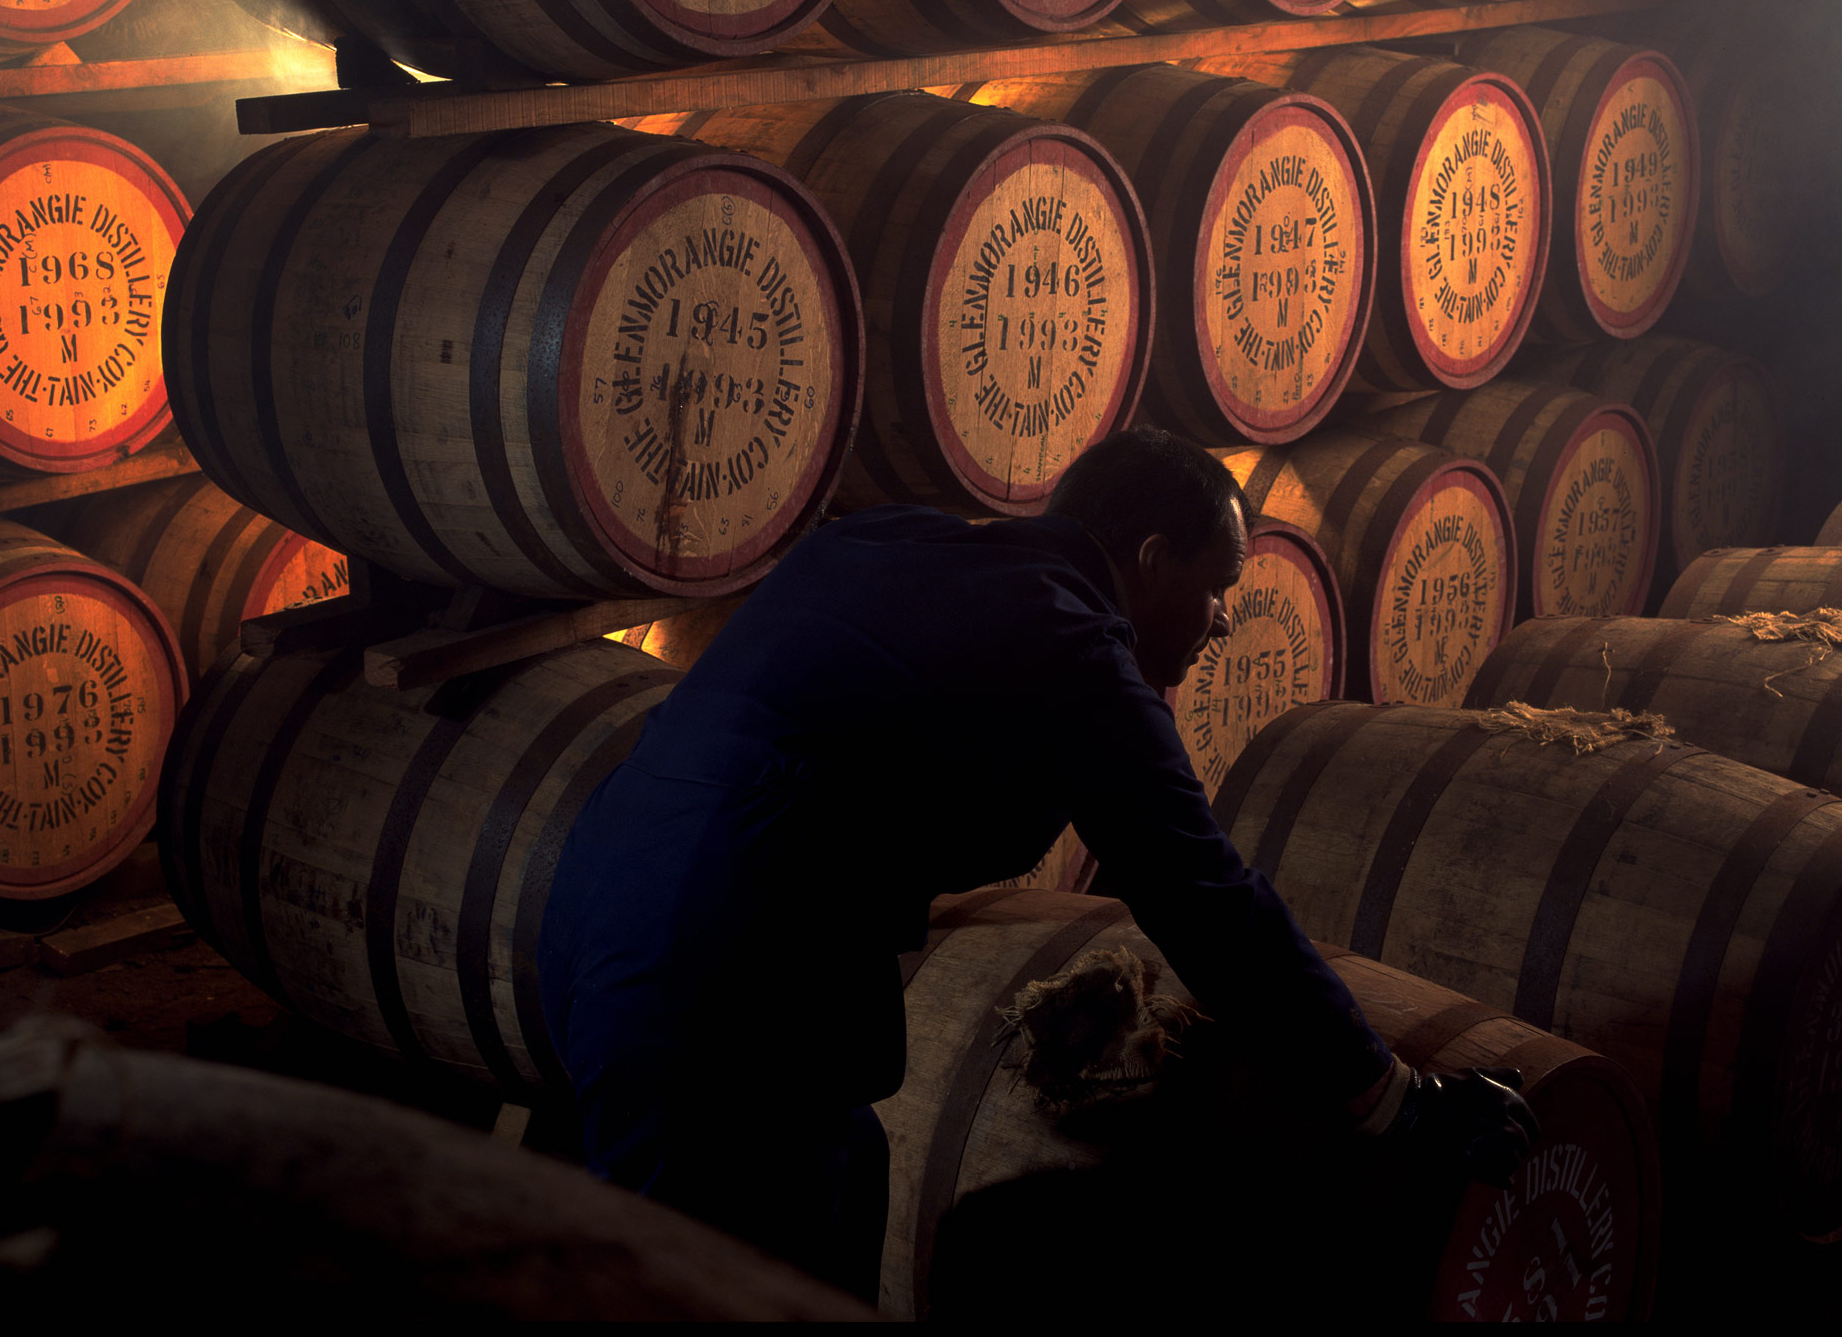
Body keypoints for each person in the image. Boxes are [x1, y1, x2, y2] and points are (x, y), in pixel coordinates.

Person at [536, 428, 1535, 1299]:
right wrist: (1394, 1096)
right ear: (1148, 557)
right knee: (726, 1283)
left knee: (824, 1194)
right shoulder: (1070, 644)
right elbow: (1208, 899)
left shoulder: (884, 540)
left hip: (595, 914)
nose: (1225, 619)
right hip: (721, 993)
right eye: (1217, 586)